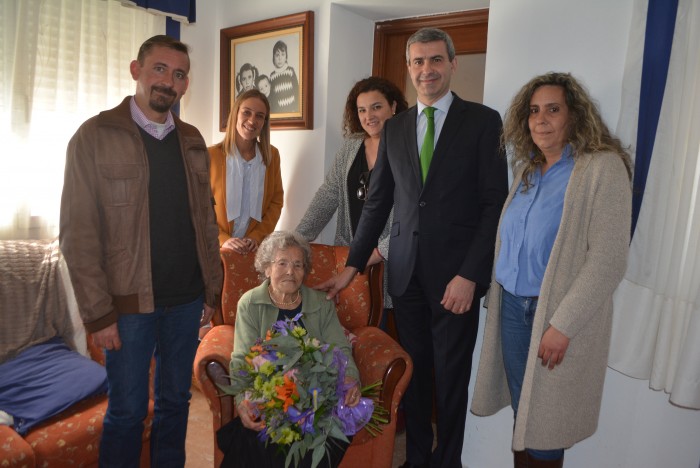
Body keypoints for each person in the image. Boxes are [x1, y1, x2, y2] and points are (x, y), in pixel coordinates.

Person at [316, 28, 508, 468]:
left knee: (451, 378)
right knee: (416, 374)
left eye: (436, 60)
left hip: (456, 279)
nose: (427, 70)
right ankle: (418, 458)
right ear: (408, 69)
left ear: (452, 64)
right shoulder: (397, 127)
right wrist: (352, 266)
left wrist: (471, 274)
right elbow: (379, 202)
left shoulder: (483, 121)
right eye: (418, 62)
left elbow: (494, 202)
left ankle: (449, 462)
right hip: (405, 277)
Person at [59, 35, 223, 467]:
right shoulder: (94, 137)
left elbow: (206, 222)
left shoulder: (191, 140)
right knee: (128, 412)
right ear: (136, 70)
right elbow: (78, 235)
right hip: (128, 309)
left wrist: (212, 291)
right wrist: (98, 314)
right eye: (160, 69)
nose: (169, 81)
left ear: (186, 85)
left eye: (179, 74)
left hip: (186, 301)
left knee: (176, 405)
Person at [470, 72, 633, 468]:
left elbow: (608, 259)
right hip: (512, 308)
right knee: (523, 421)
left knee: (545, 429)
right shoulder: (528, 170)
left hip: (554, 316)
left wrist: (563, 325)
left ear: (575, 115)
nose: (540, 119)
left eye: (553, 110)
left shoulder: (601, 169)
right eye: (533, 111)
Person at [217, 231, 361, 468]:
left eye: (297, 265)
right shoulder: (250, 303)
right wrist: (243, 400)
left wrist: (351, 379)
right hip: (272, 395)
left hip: (316, 397)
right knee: (262, 431)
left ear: (305, 271)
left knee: (335, 429)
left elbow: (340, 348)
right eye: (282, 263)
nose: (290, 271)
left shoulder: (321, 304)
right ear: (266, 268)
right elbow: (242, 358)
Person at [295, 76, 408, 311]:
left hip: (391, 259)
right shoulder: (350, 147)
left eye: (377, 107)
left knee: (385, 331)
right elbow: (327, 196)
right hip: (349, 256)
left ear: (394, 107)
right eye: (362, 110)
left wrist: (379, 252)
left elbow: (413, 213)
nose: (369, 116)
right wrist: (297, 239)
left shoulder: (408, 149)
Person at [209, 89, 284, 254]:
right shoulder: (210, 156)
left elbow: (276, 203)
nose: (252, 120)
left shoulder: (272, 156)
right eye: (246, 112)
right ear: (235, 114)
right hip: (215, 249)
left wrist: (257, 237)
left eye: (259, 116)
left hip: (253, 249)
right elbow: (199, 208)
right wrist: (223, 239)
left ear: (264, 122)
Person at [269, 40, 299, 114]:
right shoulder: (272, 76)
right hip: (279, 111)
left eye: (283, 54)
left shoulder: (290, 71)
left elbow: (296, 90)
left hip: (292, 109)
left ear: (286, 57)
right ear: (273, 58)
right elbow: (273, 97)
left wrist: (296, 109)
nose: (280, 58)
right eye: (277, 55)